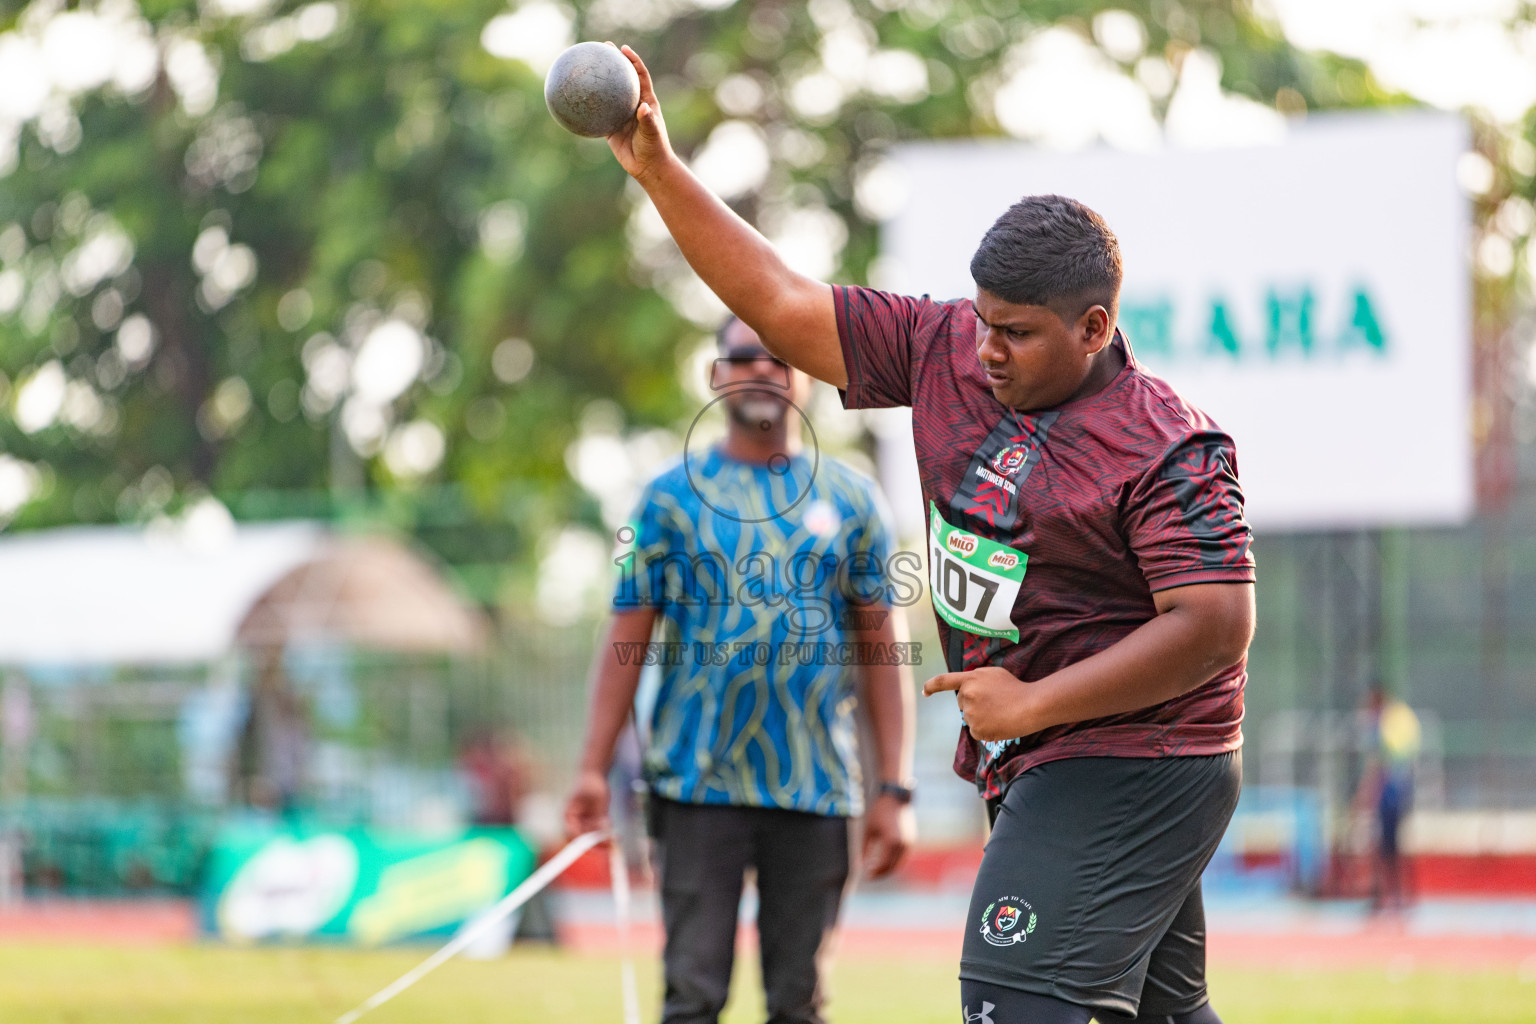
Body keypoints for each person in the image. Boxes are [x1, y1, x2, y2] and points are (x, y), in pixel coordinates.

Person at [594, 46, 1257, 1024]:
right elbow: (778, 298)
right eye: (981, 319)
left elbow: (1213, 625)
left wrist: (1031, 703)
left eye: (1017, 332)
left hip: (1139, 759)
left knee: (1011, 996)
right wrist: (656, 165)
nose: (986, 347)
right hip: (1043, 751)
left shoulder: (1168, 444)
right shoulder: (951, 347)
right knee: (1161, 1013)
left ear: (1093, 327)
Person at [565, 317, 917, 1024]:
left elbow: (884, 651)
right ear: (715, 376)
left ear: (809, 376)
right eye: (744, 356)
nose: (764, 370)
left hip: (816, 787)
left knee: (800, 1002)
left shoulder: (854, 500)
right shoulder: (664, 501)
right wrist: (592, 768)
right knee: (692, 997)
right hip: (697, 784)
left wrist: (895, 788)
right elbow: (624, 636)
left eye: (782, 358)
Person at [1356, 683, 1420, 913]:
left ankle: (1384, 897)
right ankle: (1403, 897)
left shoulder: (1383, 722)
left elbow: (1380, 763)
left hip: (1388, 792)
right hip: (1403, 790)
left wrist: (1367, 794)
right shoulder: (1403, 716)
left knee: (1384, 846)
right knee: (1396, 845)